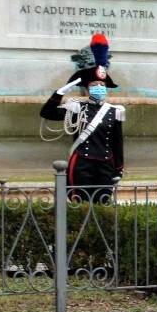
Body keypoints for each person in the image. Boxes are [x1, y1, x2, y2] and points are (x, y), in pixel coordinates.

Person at [40, 33, 124, 203]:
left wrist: (118, 169)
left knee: (102, 204)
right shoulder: (77, 108)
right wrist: (59, 93)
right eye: (94, 85)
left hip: (106, 163)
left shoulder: (114, 111)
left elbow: (117, 142)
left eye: (102, 85)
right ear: (86, 89)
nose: (99, 88)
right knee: (80, 203)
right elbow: (46, 113)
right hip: (82, 163)